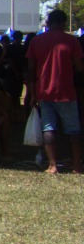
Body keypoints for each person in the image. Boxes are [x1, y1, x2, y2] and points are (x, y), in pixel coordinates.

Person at [25, 9, 84, 174]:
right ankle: (77, 166)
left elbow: (30, 69)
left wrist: (32, 91)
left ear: (48, 23)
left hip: (44, 91)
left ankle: (52, 165)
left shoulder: (36, 41)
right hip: (66, 92)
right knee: (73, 130)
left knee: (48, 128)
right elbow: (80, 67)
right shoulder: (72, 41)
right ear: (64, 23)